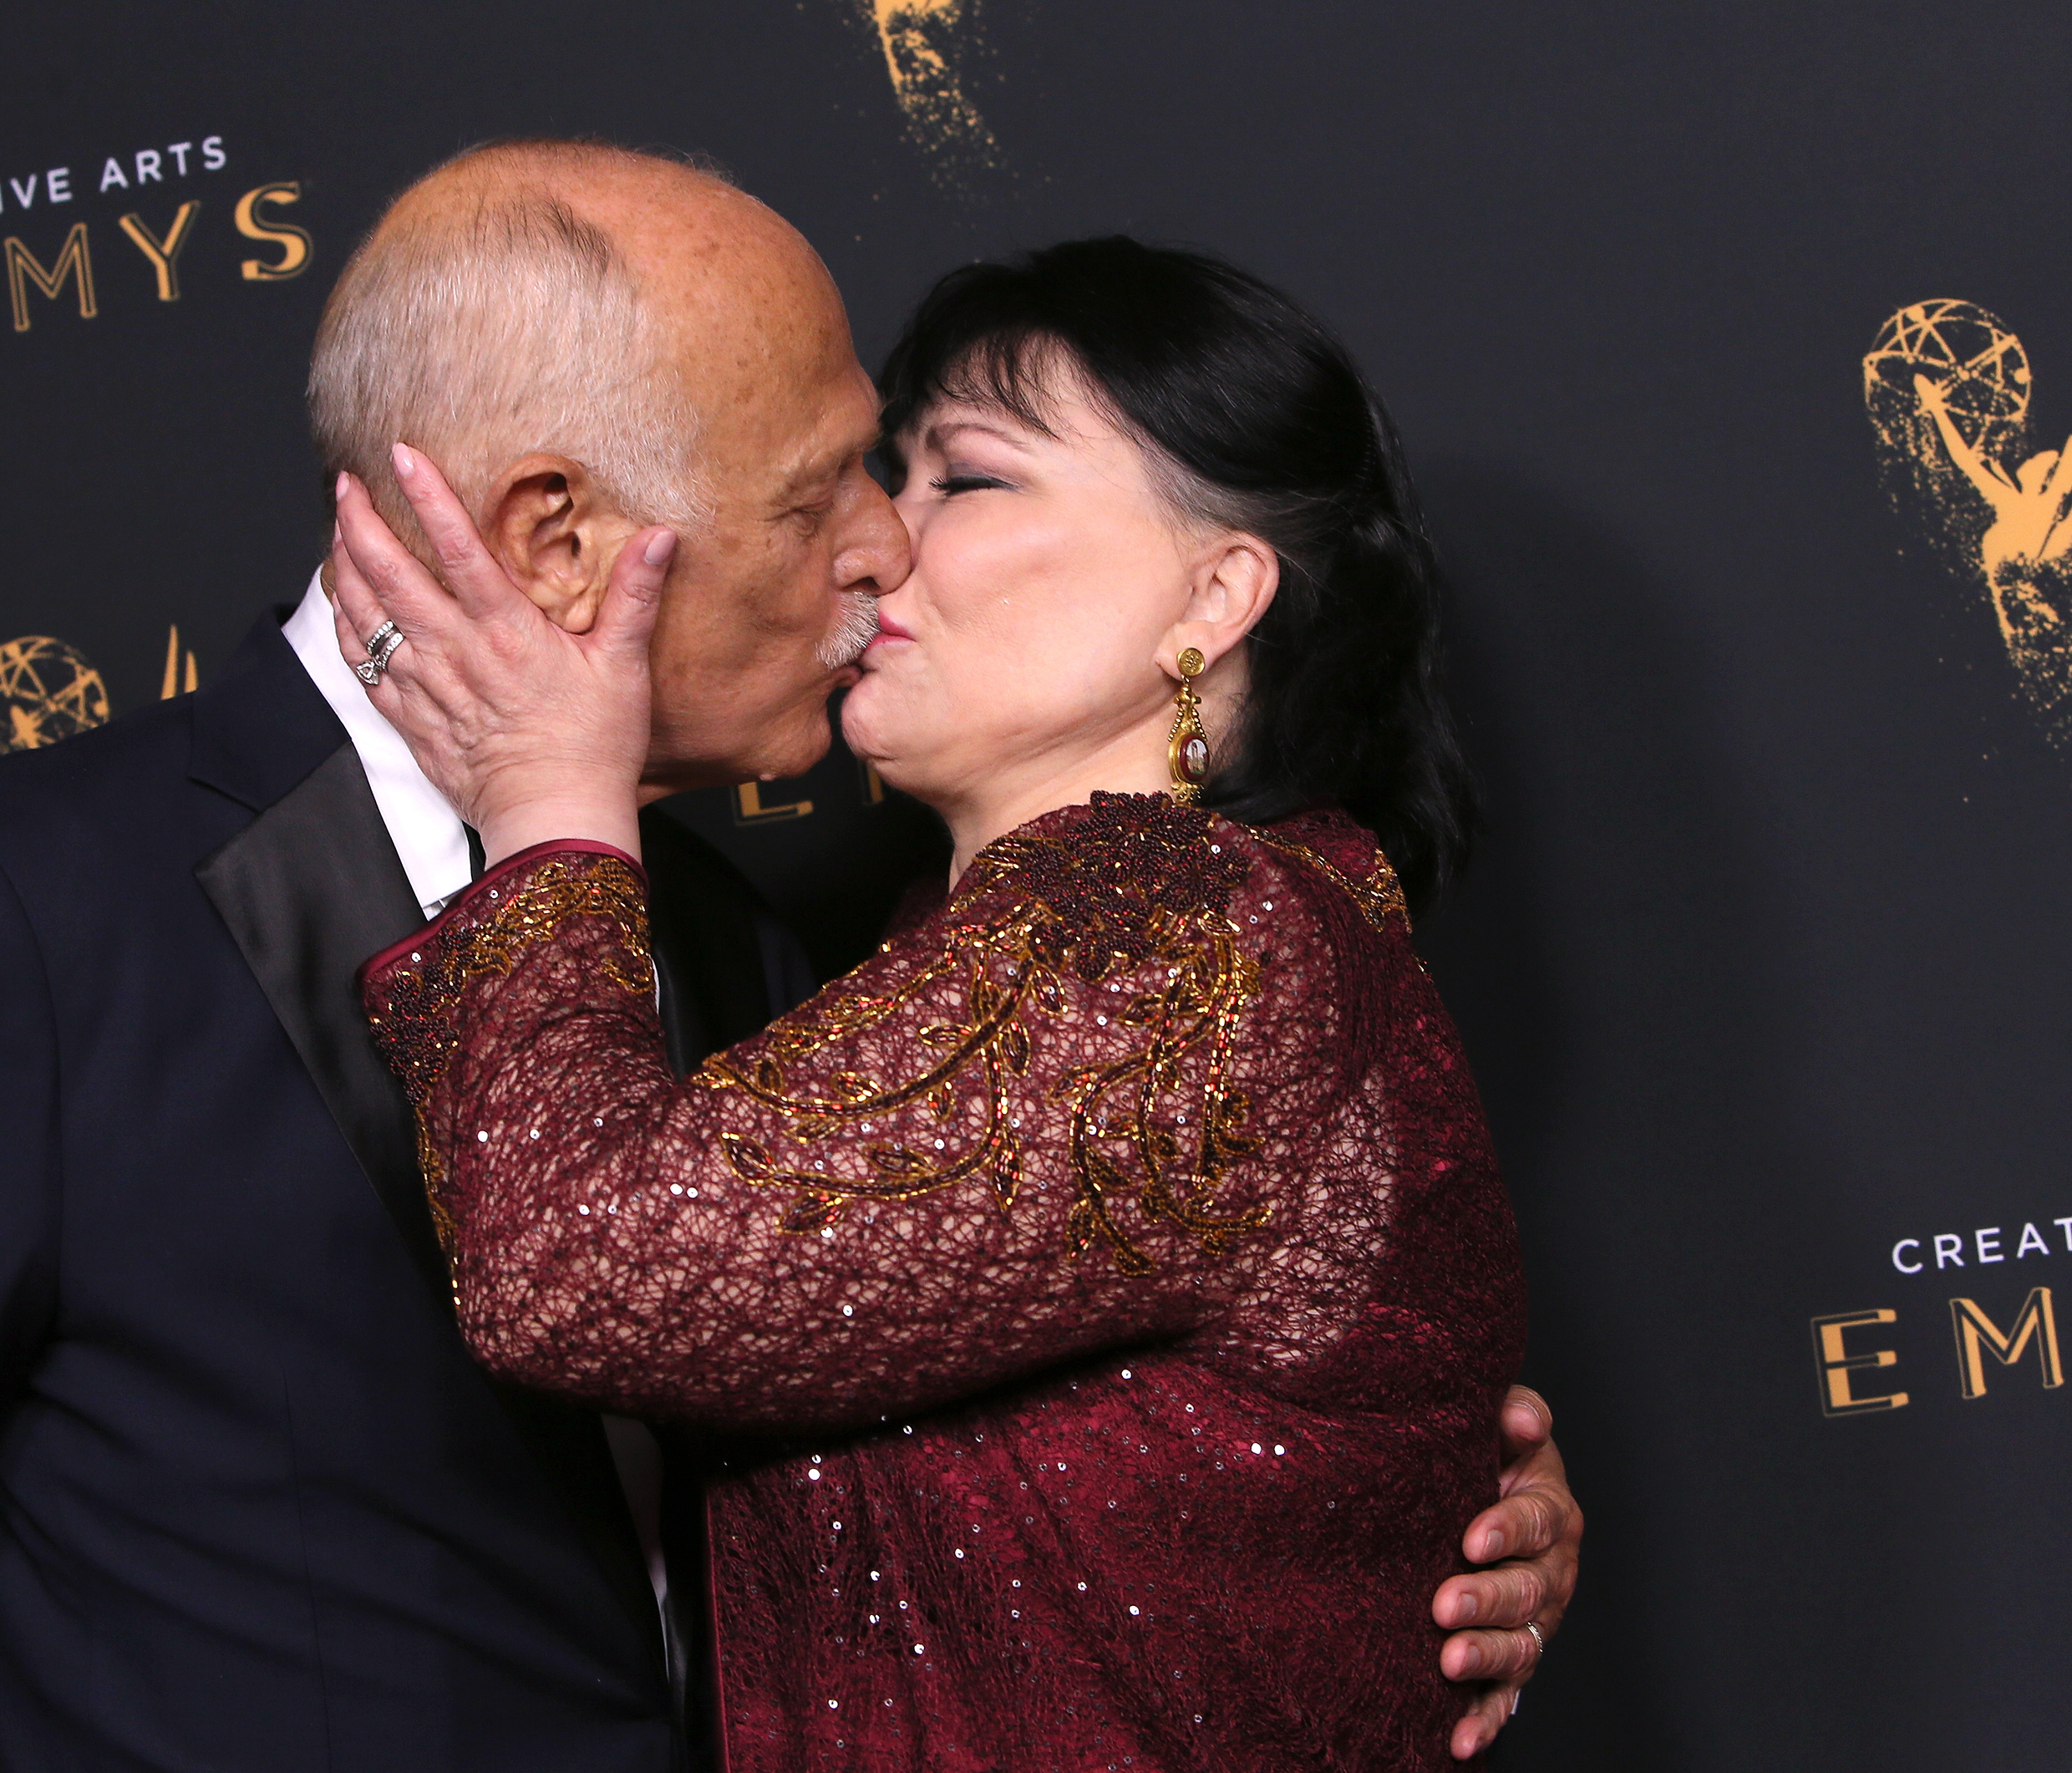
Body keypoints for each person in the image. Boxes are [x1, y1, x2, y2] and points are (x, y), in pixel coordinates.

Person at [0, 144, 1571, 1771]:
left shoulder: (754, 933)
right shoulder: (24, 917)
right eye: (832, 494)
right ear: (551, 536)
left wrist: (1387, 1504)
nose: (875, 551)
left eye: (934, 476)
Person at [322, 235, 1533, 1770]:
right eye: (888, 470)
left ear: (1215, 594)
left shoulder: (1173, 943)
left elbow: (576, 1265)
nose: (881, 536)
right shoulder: (1006, 950)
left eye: (970, 479)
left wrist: (549, 800)